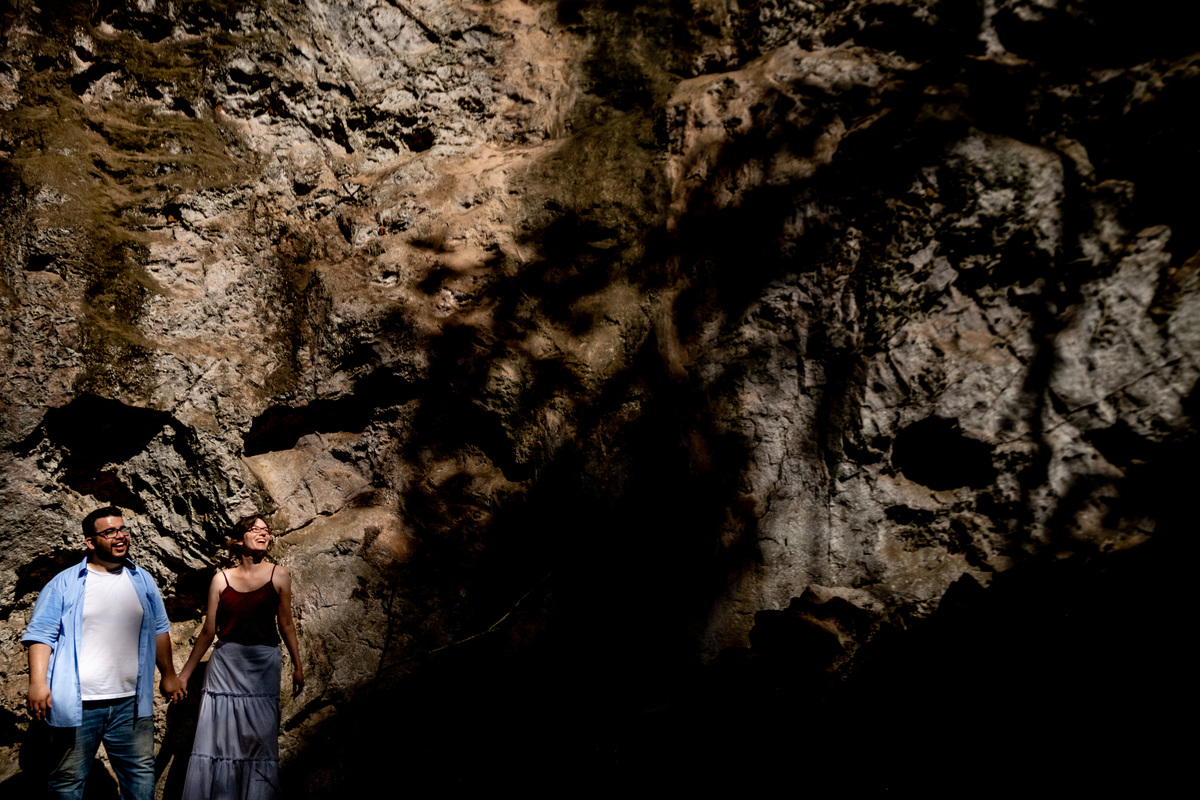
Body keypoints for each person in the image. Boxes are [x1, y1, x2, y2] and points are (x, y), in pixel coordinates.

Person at [23, 505, 186, 800]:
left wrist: (169, 674)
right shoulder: (64, 583)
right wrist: (37, 683)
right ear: (91, 542)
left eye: (122, 529)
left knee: (140, 777)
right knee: (67, 782)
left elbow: (160, 629)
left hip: (131, 703)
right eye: (110, 532)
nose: (120, 536)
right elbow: (41, 635)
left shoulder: (142, 579)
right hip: (78, 705)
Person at [178, 514, 303, 800]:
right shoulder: (221, 579)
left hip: (263, 663)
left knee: (259, 741)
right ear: (238, 540)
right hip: (226, 665)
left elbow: (286, 623)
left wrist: (297, 665)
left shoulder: (279, 574)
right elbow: (208, 630)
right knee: (220, 740)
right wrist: (184, 675)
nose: (263, 533)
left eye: (266, 530)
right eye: (255, 529)